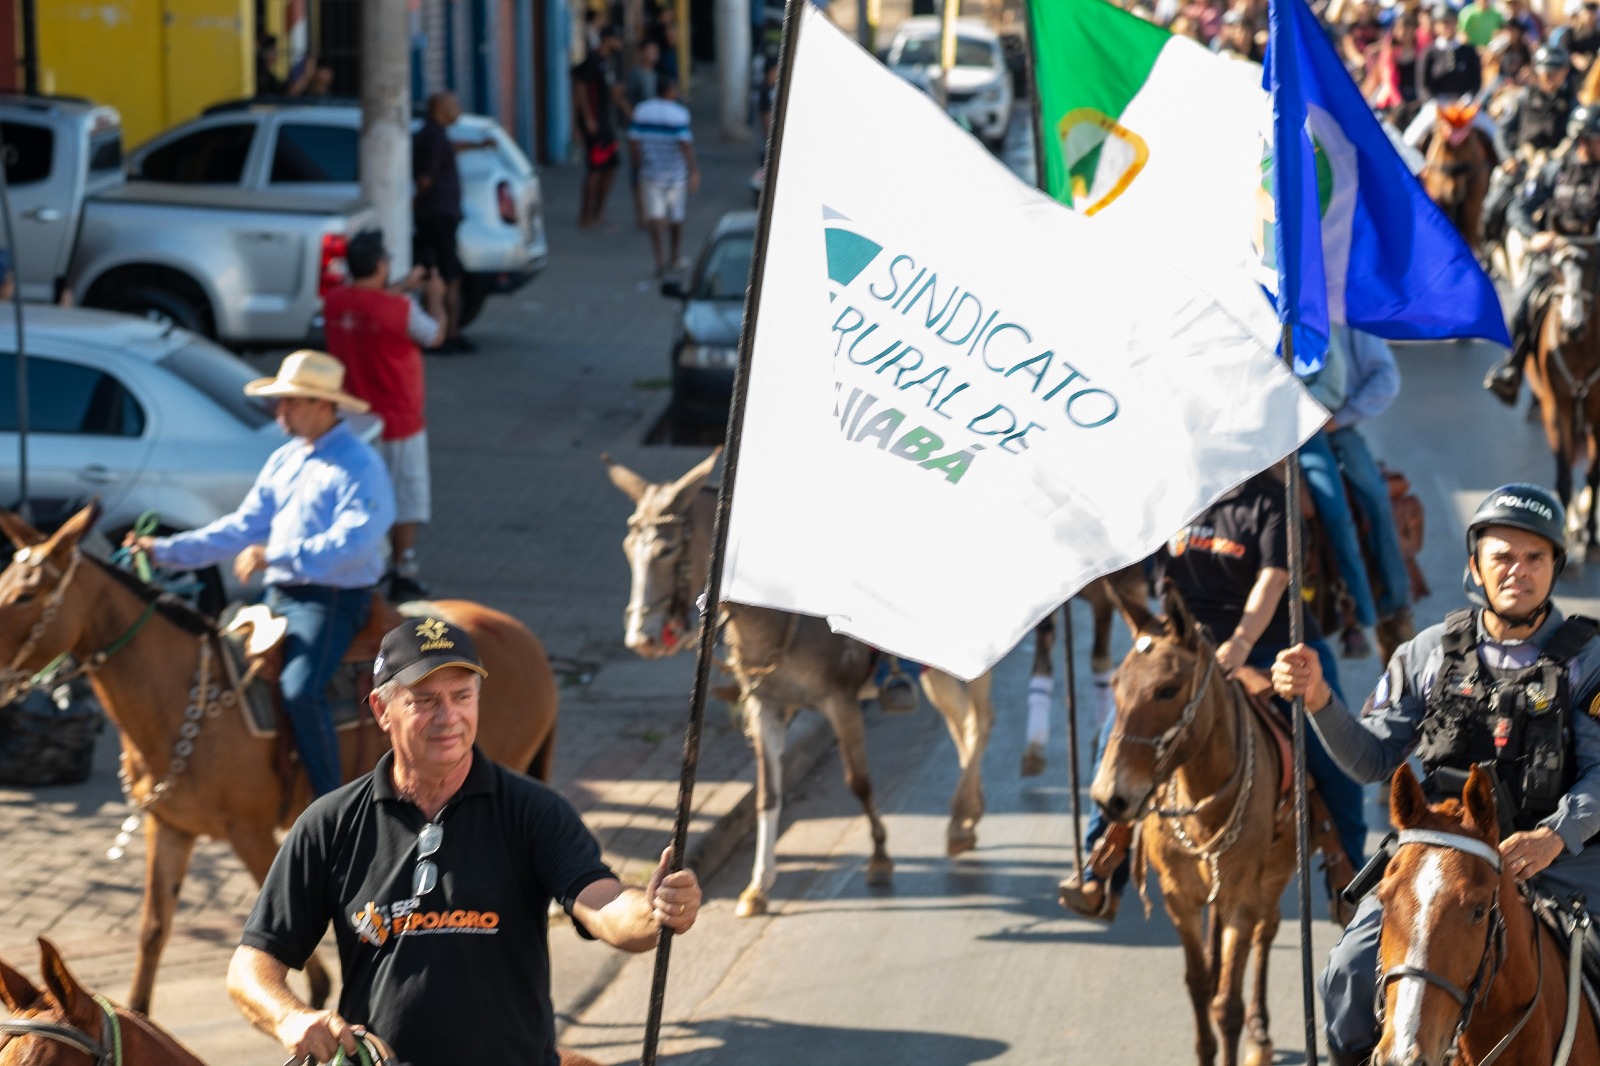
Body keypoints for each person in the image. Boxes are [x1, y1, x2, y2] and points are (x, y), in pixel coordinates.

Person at [226, 617, 702, 1066]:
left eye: (462, 695)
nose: (448, 717)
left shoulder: (534, 811)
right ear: (381, 710)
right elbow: (251, 967)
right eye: (425, 700)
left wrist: (654, 910)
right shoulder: (328, 825)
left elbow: (605, 907)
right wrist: (291, 1017)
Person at [1272, 484, 1600, 1066]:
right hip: (1437, 860)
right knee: (1346, 974)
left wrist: (1555, 835)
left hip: (1557, 860)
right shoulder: (1426, 653)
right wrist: (1321, 699)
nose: (1518, 571)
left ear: (1555, 566)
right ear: (1475, 564)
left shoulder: (1590, 659)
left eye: (1535, 557)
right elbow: (1372, 759)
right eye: (1502, 556)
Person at [1057, 469, 1366, 922]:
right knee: (1119, 735)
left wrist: (1239, 646)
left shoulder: (1270, 501)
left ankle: (1350, 874)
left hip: (1269, 640)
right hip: (1187, 647)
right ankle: (1102, 865)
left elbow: (1274, 579)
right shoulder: (1170, 492)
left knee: (1332, 752)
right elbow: (1152, 579)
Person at [129, 351, 395, 798]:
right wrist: (165, 551)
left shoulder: (359, 464)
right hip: (282, 599)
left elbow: (357, 540)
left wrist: (275, 554)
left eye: (289, 401)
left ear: (322, 404)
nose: (280, 411)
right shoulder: (286, 458)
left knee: (299, 690)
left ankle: (333, 804)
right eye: (280, 401)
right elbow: (241, 526)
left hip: (331, 601)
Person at [322, 230, 446, 603]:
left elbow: (367, 304)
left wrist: (401, 287)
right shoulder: (402, 310)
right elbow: (435, 335)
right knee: (406, 496)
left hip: (351, 420)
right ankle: (402, 567)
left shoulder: (334, 302)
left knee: (360, 495)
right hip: (399, 419)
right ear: (380, 264)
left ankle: (361, 566)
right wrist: (436, 298)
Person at [1485, 103, 1600, 404]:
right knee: (1522, 306)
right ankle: (1512, 369)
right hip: (1554, 261)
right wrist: (1535, 237)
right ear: (1583, 140)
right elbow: (1518, 207)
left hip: (1594, 261)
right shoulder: (1554, 171)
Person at [1323, 325, 1416, 653]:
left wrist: (1341, 418)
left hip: (1332, 429)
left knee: (1374, 499)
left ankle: (1395, 602)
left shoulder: (1345, 319)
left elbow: (1385, 377)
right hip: (1277, 434)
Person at [412, 91, 492, 354]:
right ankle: (441, 334)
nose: (458, 109)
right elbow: (425, 179)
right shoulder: (432, 137)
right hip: (436, 216)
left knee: (450, 276)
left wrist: (478, 145)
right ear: (439, 109)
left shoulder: (437, 134)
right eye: (453, 105)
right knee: (444, 277)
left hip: (443, 215)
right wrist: (419, 201)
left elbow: (451, 148)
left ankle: (451, 333)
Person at [1484, 44, 1574, 243]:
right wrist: (1507, 158)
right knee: (1492, 206)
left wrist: (1558, 157)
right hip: (1522, 163)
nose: (1550, 77)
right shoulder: (1523, 98)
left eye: (1555, 73)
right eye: (1546, 72)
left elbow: (1574, 138)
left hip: (1555, 166)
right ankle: (1490, 247)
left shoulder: (1571, 103)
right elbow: (1502, 132)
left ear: (1564, 72)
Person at [627, 78, 698, 276]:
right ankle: (674, 256)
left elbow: (633, 141)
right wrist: (693, 171)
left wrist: (636, 164)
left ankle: (659, 260)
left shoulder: (642, 111)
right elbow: (685, 145)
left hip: (650, 172)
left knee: (655, 217)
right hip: (675, 175)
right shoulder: (679, 114)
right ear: (671, 90)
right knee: (676, 217)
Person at [573, 27, 625, 230]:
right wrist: (587, 118)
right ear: (607, 40)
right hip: (595, 124)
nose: (620, 44)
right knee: (595, 169)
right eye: (617, 39)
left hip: (606, 123)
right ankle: (585, 215)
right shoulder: (592, 61)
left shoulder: (608, 63)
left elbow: (612, 92)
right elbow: (580, 88)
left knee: (611, 166)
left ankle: (598, 211)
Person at [622, 39, 661, 228]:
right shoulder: (636, 75)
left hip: (652, 130)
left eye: (655, 51)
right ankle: (641, 214)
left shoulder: (653, 74)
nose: (654, 54)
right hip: (638, 130)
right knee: (637, 171)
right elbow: (618, 93)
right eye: (650, 50)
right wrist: (631, 113)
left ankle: (652, 212)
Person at [1417, 6, 1483, 102]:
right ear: (1436, 26)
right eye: (1443, 23)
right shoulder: (1428, 52)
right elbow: (1422, 85)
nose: (1447, 26)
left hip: (1463, 102)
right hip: (1437, 102)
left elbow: (1476, 81)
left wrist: (1468, 97)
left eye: (1450, 22)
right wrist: (1432, 102)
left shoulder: (1468, 51)